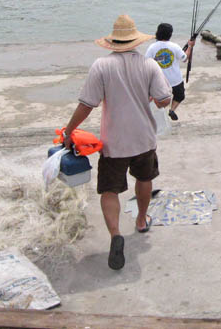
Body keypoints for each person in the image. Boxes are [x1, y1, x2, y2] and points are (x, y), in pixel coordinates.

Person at [62, 14, 172, 270]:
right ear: (135, 41)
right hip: (144, 138)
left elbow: (86, 105)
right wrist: (152, 99)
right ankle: (142, 221)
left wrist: (69, 131)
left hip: (114, 142)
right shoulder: (149, 65)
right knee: (144, 180)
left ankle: (115, 234)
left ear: (113, 42)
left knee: (109, 190)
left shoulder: (101, 66)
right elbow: (165, 99)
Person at [145, 23, 195, 121]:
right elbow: (185, 58)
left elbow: (146, 63)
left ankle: (155, 111)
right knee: (180, 96)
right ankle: (172, 110)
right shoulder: (174, 46)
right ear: (170, 34)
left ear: (158, 33)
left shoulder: (152, 47)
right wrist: (190, 46)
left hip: (159, 81)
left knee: (158, 99)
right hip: (175, 80)